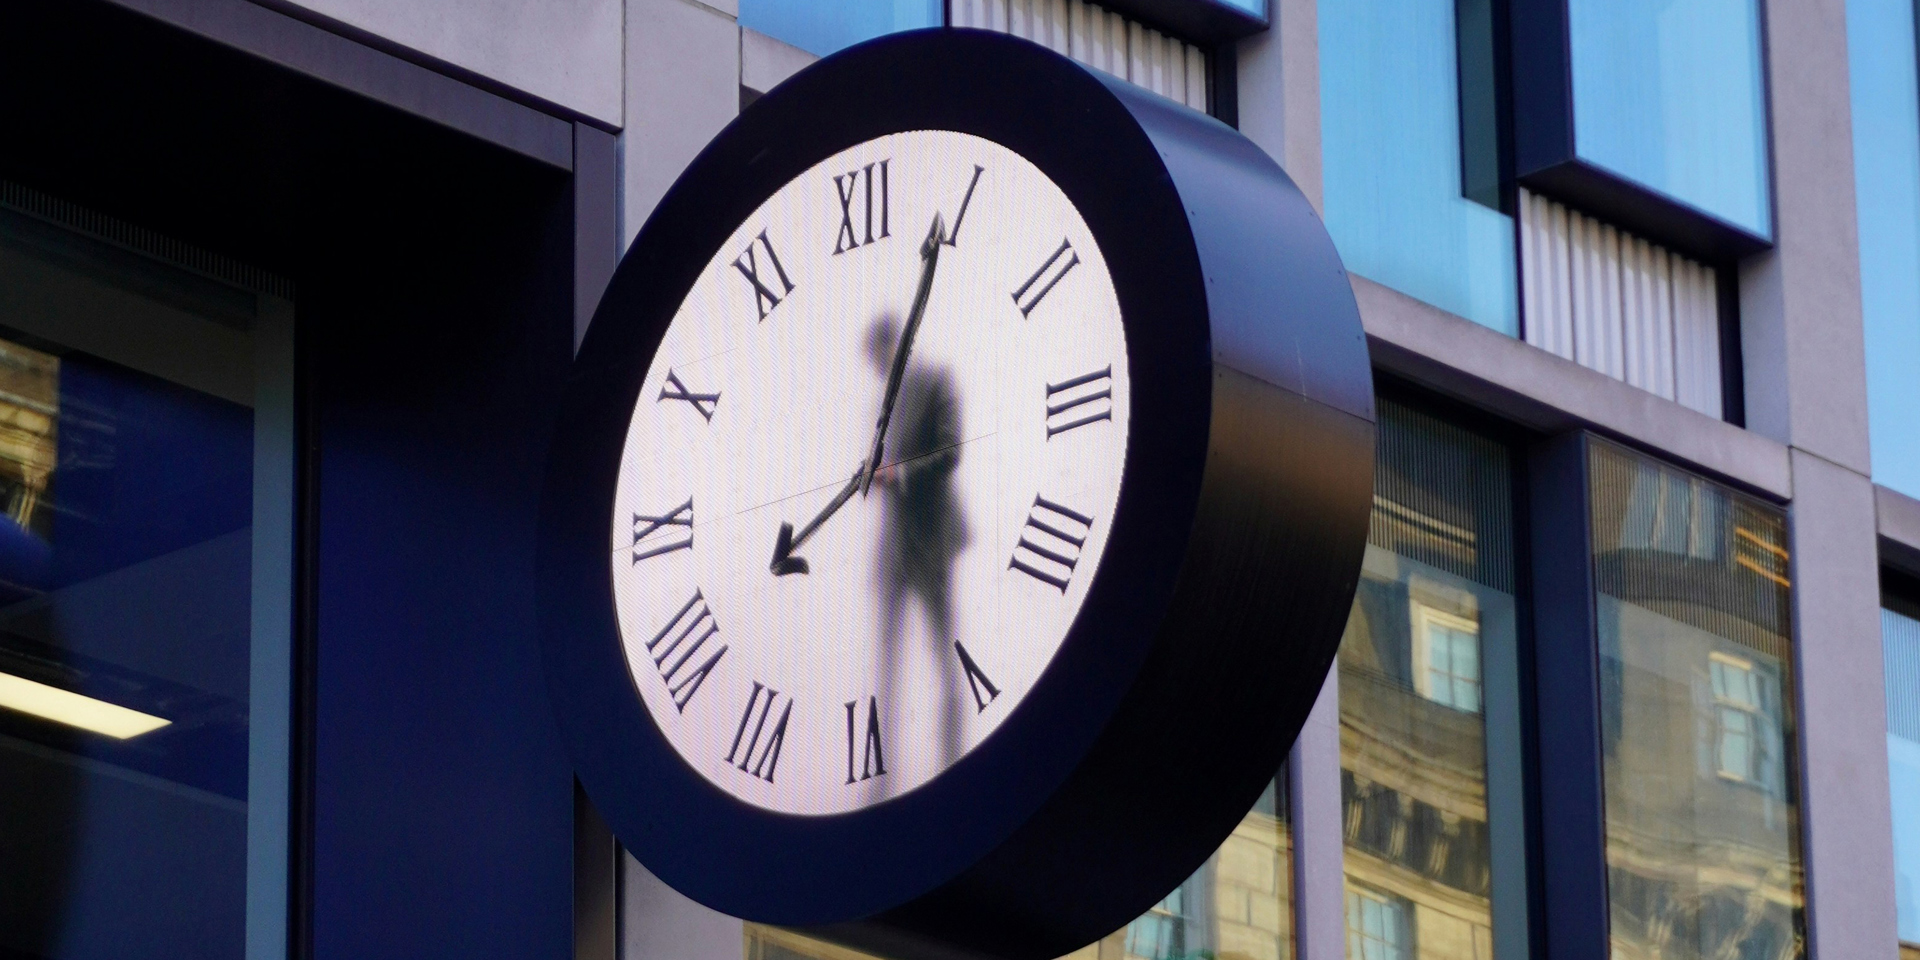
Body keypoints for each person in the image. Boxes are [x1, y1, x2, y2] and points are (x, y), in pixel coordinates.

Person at [865, 316, 970, 771]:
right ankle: (883, 776)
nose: (878, 368)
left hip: (930, 541)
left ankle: (952, 765)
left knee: (942, 654)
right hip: (894, 549)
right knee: (886, 661)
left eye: (881, 355)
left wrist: (899, 474)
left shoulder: (935, 381)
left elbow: (950, 453)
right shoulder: (882, 404)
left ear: (898, 345)